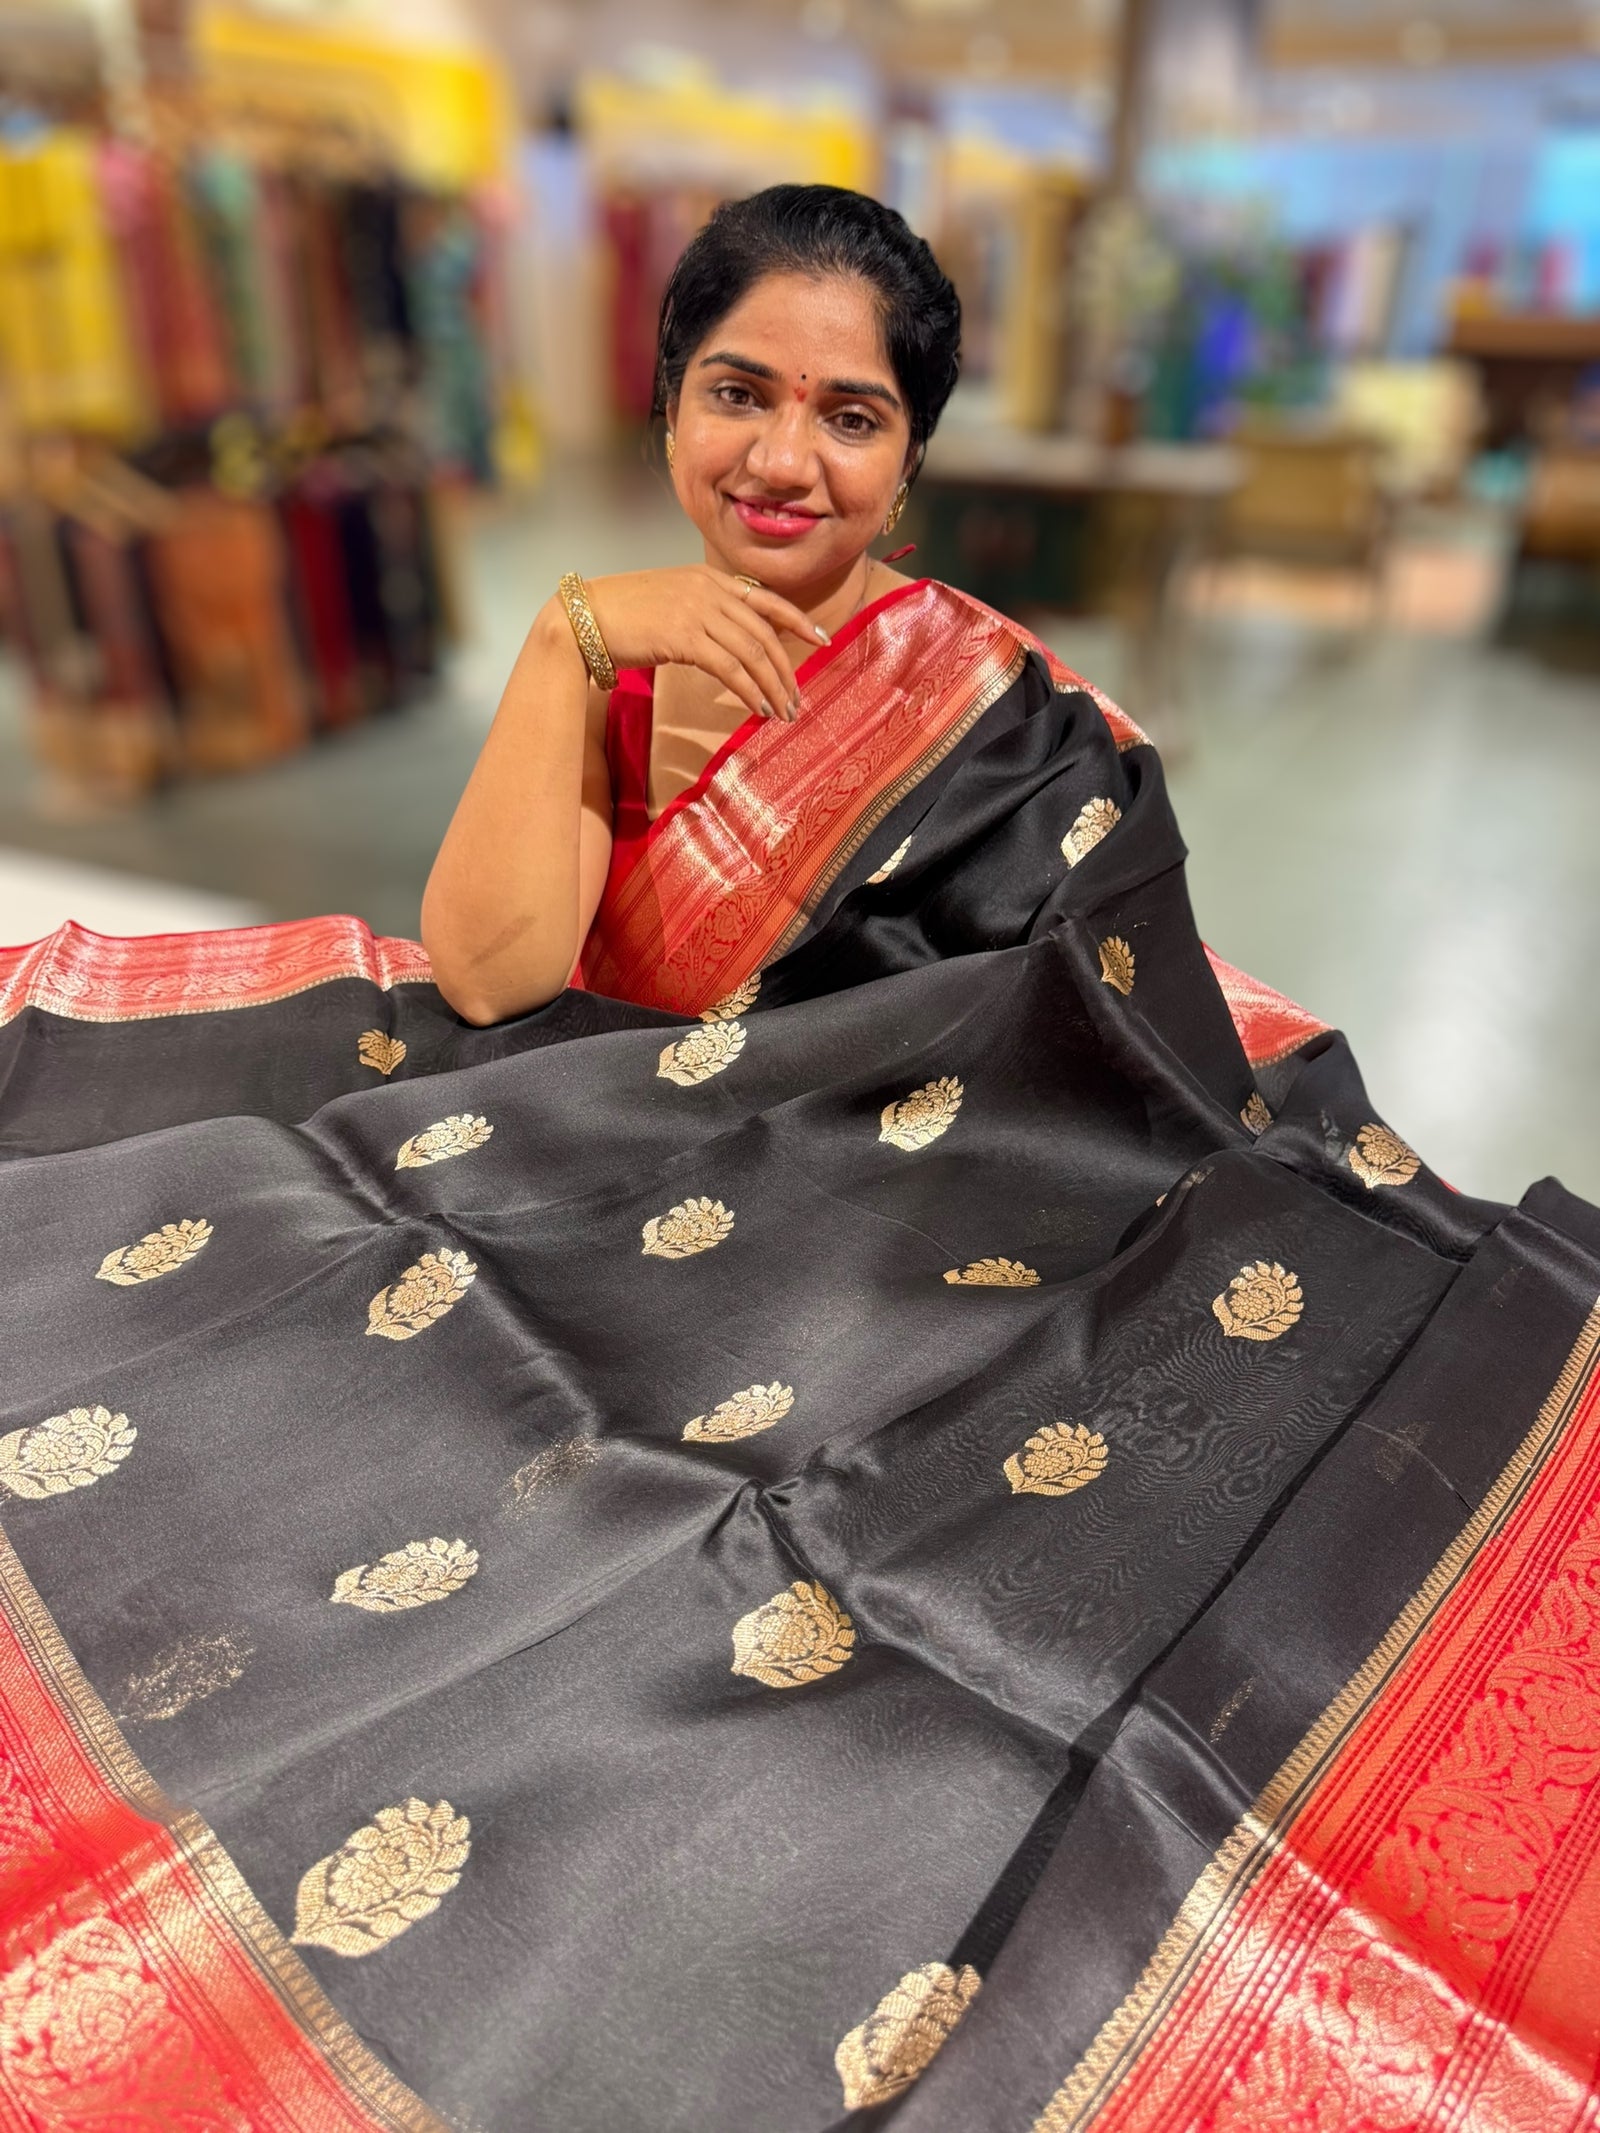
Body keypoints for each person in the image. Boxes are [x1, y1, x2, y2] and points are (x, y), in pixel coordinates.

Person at [1, 186, 1598, 2133]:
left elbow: (1098, 1047)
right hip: (603, 1161)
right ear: (670, 399)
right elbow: (500, 970)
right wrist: (572, 649)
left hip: (909, 1228)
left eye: (848, 414)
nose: (782, 454)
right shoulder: (621, 648)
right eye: (738, 390)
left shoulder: (1008, 723)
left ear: (907, 457)